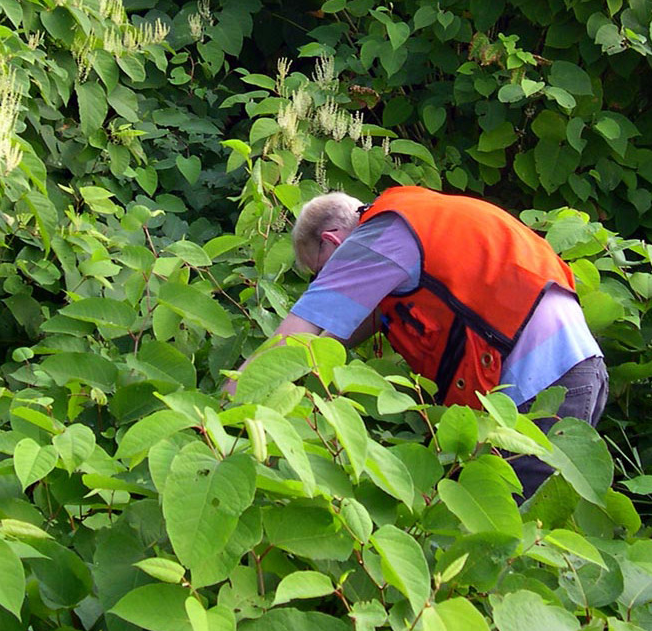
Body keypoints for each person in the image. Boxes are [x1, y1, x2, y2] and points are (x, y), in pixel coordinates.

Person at [231, 184, 607, 501]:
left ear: (333, 242)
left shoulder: (379, 236)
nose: (324, 285)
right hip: (580, 367)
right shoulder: (420, 218)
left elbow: (295, 335)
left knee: (505, 547)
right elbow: (340, 334)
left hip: (537, 386)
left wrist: (229, 405)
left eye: (320, 273)